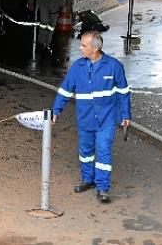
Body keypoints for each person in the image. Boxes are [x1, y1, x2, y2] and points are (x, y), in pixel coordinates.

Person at [52, 31, 131, 203]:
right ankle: (88, 179)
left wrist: (126, 114)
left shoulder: (114, 66)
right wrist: (56, 110)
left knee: (103, 150)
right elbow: (65, 90)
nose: (80, 48)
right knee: (85, 152)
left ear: (95, 48)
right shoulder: (77, 67)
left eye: (83, 46)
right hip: (85, 118)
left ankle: (103, 187)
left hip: (107, 119)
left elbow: (124, 92)